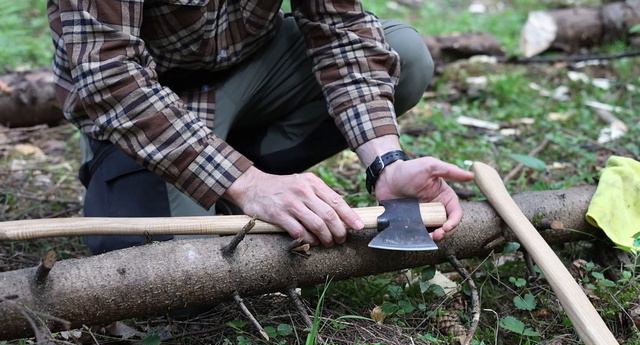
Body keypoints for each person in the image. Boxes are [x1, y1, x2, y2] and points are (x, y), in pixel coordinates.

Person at [47, 0, 474, 254]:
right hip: (147, 102)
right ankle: (229, 186)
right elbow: (109, 77)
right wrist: (248, 184)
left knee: (405, 56)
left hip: (255, 74)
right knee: (166, 257)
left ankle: (238, 174)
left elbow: (341, 30)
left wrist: (386, 163)